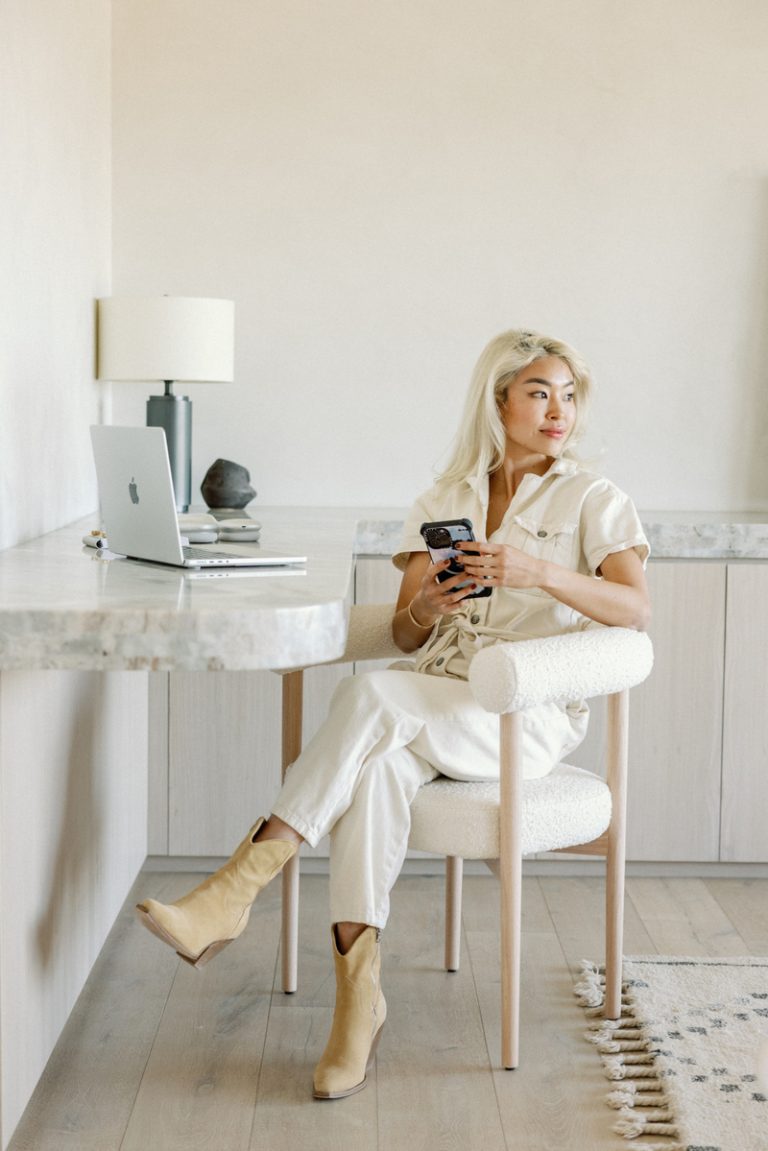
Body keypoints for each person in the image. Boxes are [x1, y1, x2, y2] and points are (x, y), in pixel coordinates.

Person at [136, 328, 651, 1100]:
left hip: (519, 712)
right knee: (374, 764)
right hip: (434, 690)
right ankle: (357, 1004)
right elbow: (409, 632)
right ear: (499, 399)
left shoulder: (595, 499)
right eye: (540, 392)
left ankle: (237, 886)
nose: (558, 411)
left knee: (372, 693)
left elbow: (636, 609)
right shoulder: (443, 499)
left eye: (569, 395)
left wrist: (540, 572)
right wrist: (428, 602)